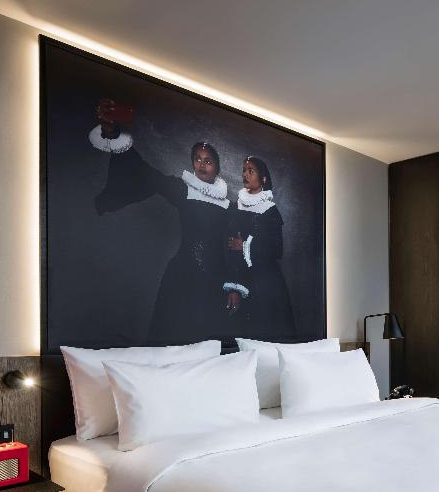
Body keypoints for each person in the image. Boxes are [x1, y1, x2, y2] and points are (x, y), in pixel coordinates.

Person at [89, 98, 248, 344]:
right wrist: (113, 134)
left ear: (217, 167)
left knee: (211, 342)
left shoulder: (230, 206)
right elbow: (146, 173)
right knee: (176, 337)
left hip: (216, 281)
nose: (202, 164)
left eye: (208, 160)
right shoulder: (183, 190)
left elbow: (233, 248)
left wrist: (234, 287)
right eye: (197, 159)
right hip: (182, 276)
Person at [226, 156, 295, 339]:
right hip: (242, 277)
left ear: (263, 178)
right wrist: (234, 287)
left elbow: (277, 250)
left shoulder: (270, 210)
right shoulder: (235, 207)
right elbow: (230, 249)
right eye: (244, 170)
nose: (245, 175)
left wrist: (245, 245)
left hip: (266, 282)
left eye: (251, 171)